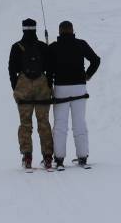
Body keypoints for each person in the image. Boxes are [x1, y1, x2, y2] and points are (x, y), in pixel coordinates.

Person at [48, 21, 100, 170]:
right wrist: (87, 75)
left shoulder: (53, 47)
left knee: (60, 124)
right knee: (79, 122)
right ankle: (82, 156)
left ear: (59, 32)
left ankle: (58, 159)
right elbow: (96, 60)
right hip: (79, 88)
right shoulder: (81, 44)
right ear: (72, 31)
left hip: (61, 88)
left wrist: (49, 85)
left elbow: (49, 69)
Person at [8, 18, 54, 170]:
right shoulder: (42, 46)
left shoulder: (16, 47)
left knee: (25, 123)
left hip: (23, 86)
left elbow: (11, 69)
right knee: (44, 123)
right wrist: (48, 84)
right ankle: (47, 157)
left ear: (23, 29)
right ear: (35, 29)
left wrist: (16, 86)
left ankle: (27, 156)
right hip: (41, 86)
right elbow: (49, 67)